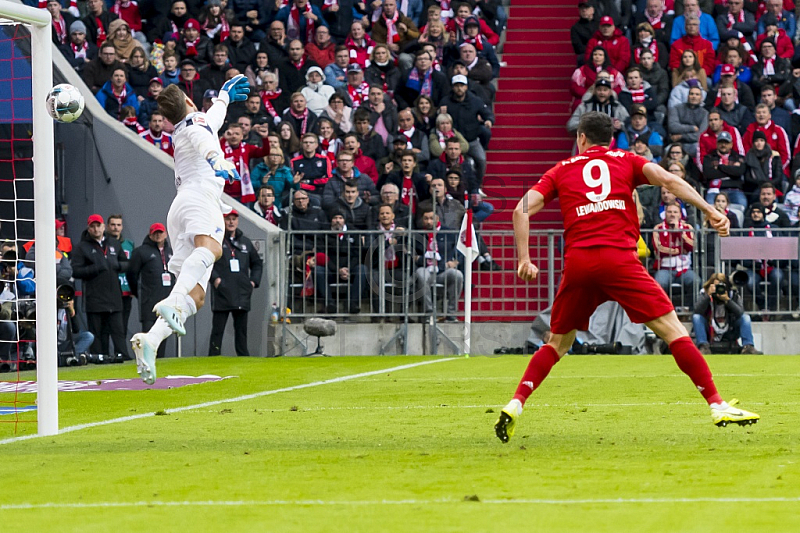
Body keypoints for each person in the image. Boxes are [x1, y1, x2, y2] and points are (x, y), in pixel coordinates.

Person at [494, 111, 759, 444]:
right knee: (673, 329)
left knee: (557, 344)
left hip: (579, 263)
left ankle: (515, 403)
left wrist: (525, 259)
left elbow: (520, 209)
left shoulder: (561, 169)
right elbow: (671, 182)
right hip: (619, 260)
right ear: (611, 139)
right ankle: (717, 404)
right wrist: (710, 210)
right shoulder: (628, 160)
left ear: (581, 138)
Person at [129, 74, 251, 385]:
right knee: (212, 249)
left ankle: (151, 341)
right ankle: (171, 301)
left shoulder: (183, 126)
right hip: (200, 198)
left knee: (196, 297)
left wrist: (223, 98)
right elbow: (204, 136)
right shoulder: (195, 123)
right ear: (188, 102)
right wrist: (216, 158)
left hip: (180, 207)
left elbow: (211, 121)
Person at [71, 214, 131, 364]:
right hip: (94, 298)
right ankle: (98, 358)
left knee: (118, 330)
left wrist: (116, 265)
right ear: (88, 228)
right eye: (93, 226)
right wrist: (96, 268)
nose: (96, 229)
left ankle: (122, 356)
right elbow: (75, 271)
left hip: (114, 296)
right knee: (97, 333)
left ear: (104, 227)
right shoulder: (82, 247)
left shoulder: (114, 244)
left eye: (98, 226)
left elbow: (126, 263)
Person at [208, 210, 263, 356]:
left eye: (234, 219)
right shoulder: (217, 240)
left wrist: (253, 281)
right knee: (218, 329)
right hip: (223, 292)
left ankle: (243, 356)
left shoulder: (245, 242)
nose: (231, 222)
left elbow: (257, 263)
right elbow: (208, 262)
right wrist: (216, 280)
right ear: (223, 221)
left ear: (237, 221)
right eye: (228, 219)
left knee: (241, 330)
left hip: (242, 292)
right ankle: (213, 356)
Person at [127, 223, 174, 359]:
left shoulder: (170, 251)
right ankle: (147, 360)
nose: (158, 235)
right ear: (150, 234)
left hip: (167, 301)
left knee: (164, 331)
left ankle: (161, 361)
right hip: (149, 301)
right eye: (155, 233)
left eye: (160, 232)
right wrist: (139, 293)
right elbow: (131, 274)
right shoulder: (141, 252)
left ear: (165, 234)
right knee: (149, 333)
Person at [413, 207, 463, 321]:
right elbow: (413, 256)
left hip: (443, 272)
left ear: (437, 218)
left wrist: (455, 261)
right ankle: (429, 313)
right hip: (425, 270)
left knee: (457, 275)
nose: (429, 221)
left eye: (431, 218)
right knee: (421, 274)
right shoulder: (418, 235)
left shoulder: (448, 233)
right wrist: (422, 260)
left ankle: (451, 313)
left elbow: (458, 252)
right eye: (426, 219)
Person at [693, 273, 760, 355]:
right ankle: (703, 346)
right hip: (710, 329)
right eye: (716, 287)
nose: (719, 289)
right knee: (696, 317)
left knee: (745, 317)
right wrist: (707, 296)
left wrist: (728, 300)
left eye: (721, 287)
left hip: (730, 329)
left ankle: (748, 347)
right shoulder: (704, 294)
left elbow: (740, 313)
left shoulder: (733, 294)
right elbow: (697, 311)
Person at [315, 209, 367, 314]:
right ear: (331, 220)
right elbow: (322, 255)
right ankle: (329, 304)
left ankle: (353, 303)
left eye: (340, 218)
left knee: (362, 269)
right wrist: (337, 270)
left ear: (344, 220)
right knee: (318, 270)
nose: (337, 221)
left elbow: (358, 255)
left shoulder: (354, 233)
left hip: (350, 270)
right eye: (335, 218)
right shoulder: (323, 234)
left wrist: (347, 269)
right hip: (331, 270)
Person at [702, 131, 748, 206]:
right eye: (721, 142)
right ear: (716, 144)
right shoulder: (709, 158)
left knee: (741, 203)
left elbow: (739, 172)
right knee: (710, 207)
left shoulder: (738, 158)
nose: (723, 145)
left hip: (734, 189)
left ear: (731, 144)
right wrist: (731, 170)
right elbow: (709, 174)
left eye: (726, 143)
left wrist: (720, 167)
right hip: (714, 190)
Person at [744, 131, 786, 201]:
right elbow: (747, 178)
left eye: (761, 140)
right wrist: (760, 183)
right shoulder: (749, 157)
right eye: (756, 141)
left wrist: (767, 184)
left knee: (772, 197)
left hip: (773, 187)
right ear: (753, 143)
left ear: (765, 142)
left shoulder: (774, 156)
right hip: (756, 188)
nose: (759, 143)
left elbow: (778, 177)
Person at [291, 133, 332, 201]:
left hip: (321, 192)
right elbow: (295, 181)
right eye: (305, 142)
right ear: (302, 145)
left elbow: (328, 179)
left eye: (311, 142)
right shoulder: (294, 161)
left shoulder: (324, 160)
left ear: (316, 145)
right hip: (301, 193)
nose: (308, 144)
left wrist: (309, 181)